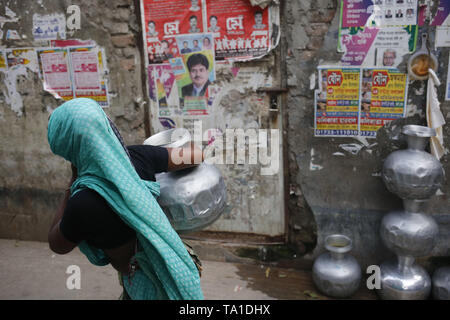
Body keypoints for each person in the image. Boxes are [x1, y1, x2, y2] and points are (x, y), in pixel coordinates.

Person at [47, 98, 204, 300]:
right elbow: (196, 155)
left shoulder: (82, 202)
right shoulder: (137, 158)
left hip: (140, 283)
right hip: (173, 264)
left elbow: (56, 244)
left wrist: (72, 180)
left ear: (67, 146)